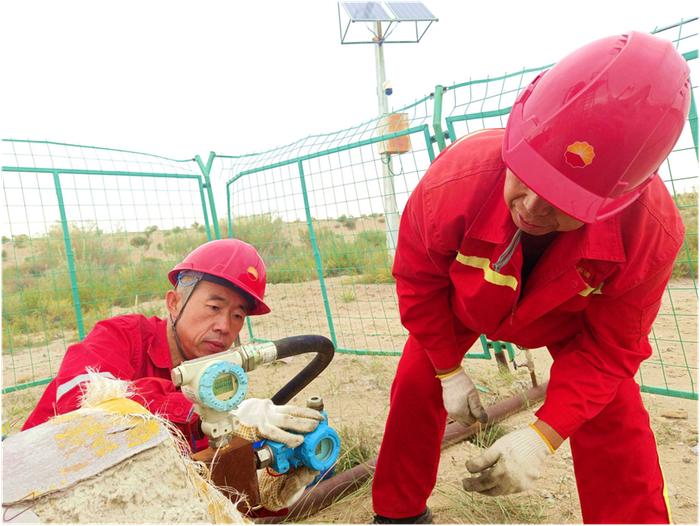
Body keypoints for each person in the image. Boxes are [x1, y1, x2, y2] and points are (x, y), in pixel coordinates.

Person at [371, 31, 690, 524]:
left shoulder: (650, 232)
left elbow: (611, 350)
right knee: (418, 380)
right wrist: (447, 371)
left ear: (618, 200)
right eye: (529, 175)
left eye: (566, 203)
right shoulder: (456, 180)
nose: (533, 208)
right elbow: (418, 281)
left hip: (567, 325)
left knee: (613, 413)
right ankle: (398, 513)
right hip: (465, 306)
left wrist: (544, 435)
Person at [23, 238, 323, 509]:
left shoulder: (219, 379)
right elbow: (82, 402)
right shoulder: (121, 337)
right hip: (32, 493)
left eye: (237, 315)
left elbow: (206, 478)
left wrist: (270, 493)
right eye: (214, 306)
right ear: (174, 302)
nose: (224, 326)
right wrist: (201, 412)